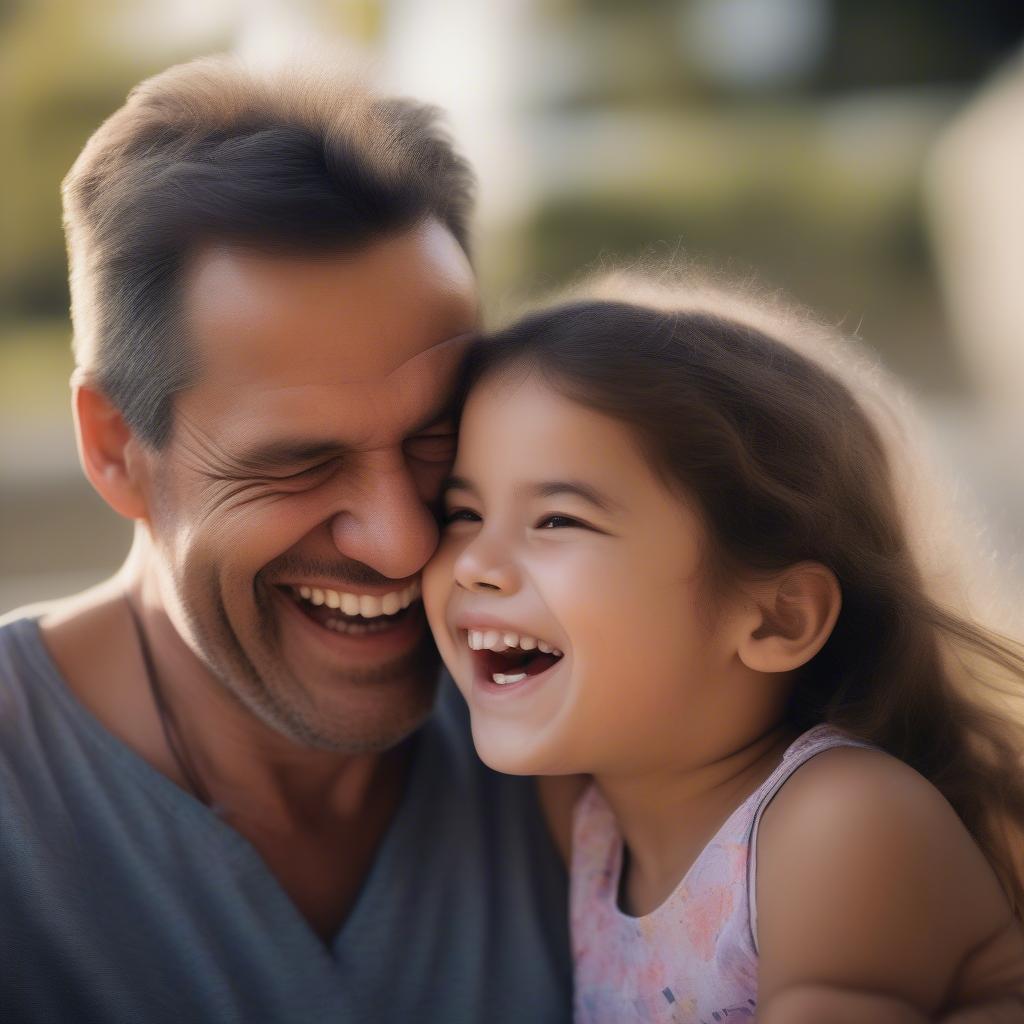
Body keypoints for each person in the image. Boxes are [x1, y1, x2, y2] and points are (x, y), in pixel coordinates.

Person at [0, 56, 572, 1022]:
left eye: (438, 434)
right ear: (116, 449)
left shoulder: (599, 708)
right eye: (297, 462)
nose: (398, 542)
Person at [422, 274, 1024, 1022]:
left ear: (775, 619)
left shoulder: (839, 823)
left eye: (557, 521)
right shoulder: (591, 816)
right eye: (462, 512)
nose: (475, 561)